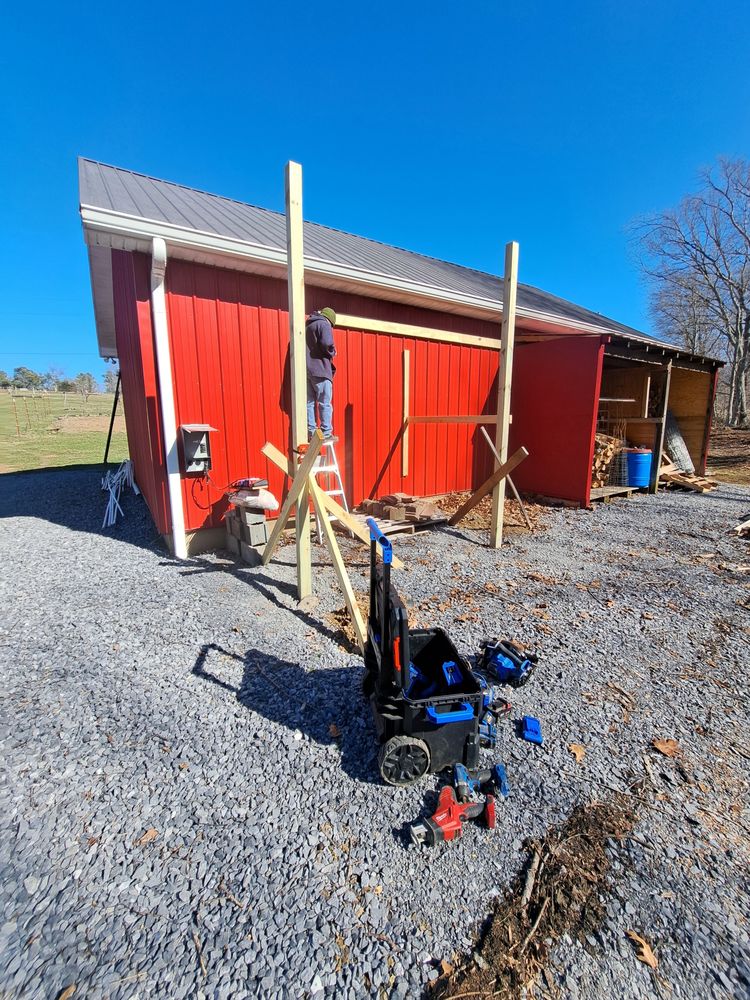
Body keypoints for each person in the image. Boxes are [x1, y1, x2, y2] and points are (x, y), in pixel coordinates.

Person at [306, 307, 337, 440]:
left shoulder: (308, 326)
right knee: (324, 402)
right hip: (321, 370)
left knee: (309, 402)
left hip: (307, 371)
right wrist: (333, 351)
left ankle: (312, 432)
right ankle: (326, 432)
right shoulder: (324, 324)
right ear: (330, 320)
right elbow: (327, 343)